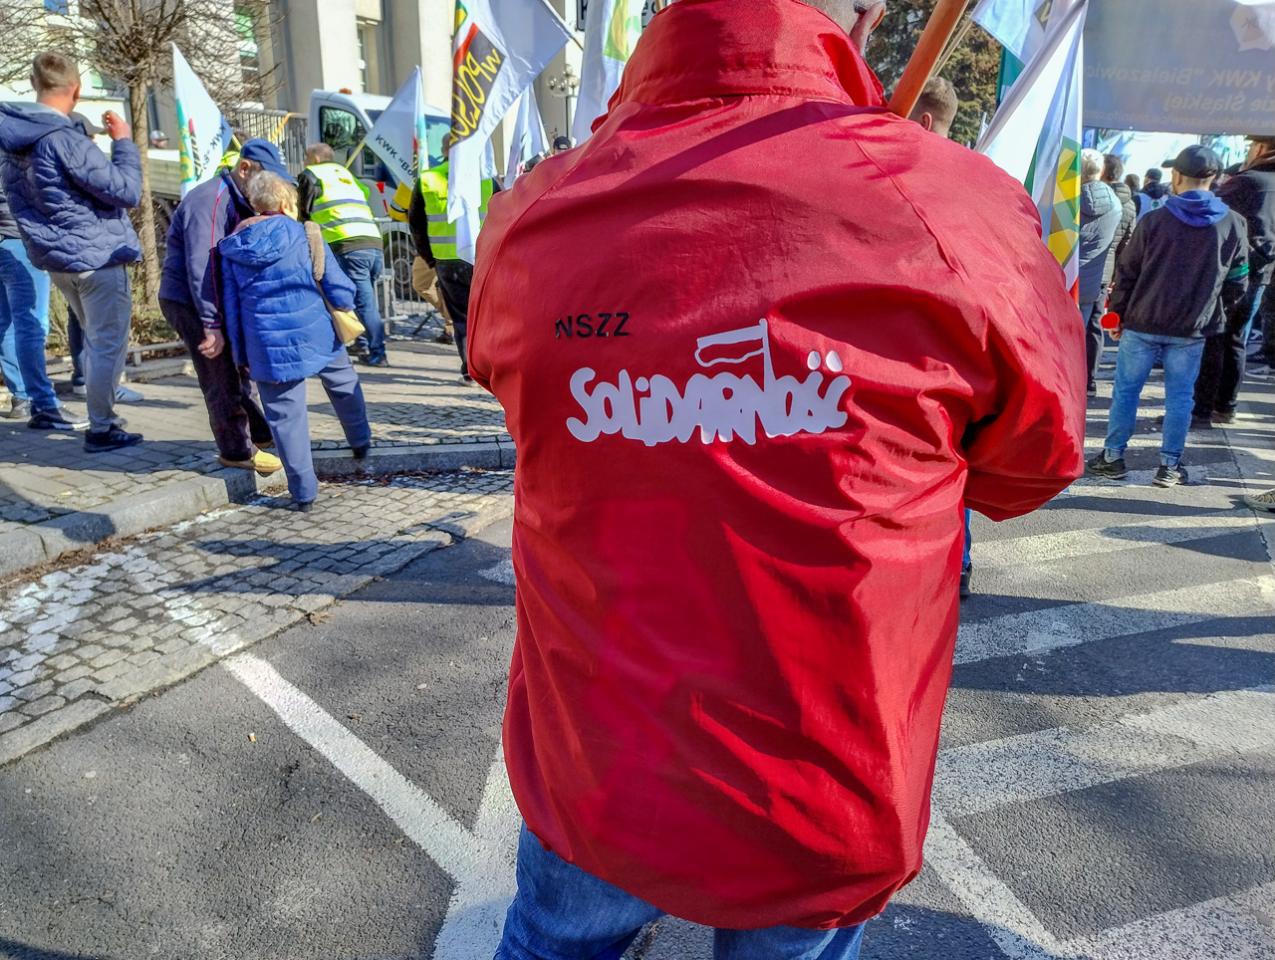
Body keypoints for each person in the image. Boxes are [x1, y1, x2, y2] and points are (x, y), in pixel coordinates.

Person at [469, 0, 1086, 954]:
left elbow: (512, 388)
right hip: (820, 775)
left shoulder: (535, 215)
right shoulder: (954, 207)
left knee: (550, 944)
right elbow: (1025, 464)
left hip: (599, 759)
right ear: (869, 13)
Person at [0, 52, 139, 449]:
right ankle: (102, 427)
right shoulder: (64, 139)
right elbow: (126, 190)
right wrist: (124, 143)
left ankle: (93, 416)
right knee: (106, 344)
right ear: (76, 90)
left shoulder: (14, 142)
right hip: (96, 257)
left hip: (58, 258)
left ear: (34, 84)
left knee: (93, 340)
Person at [1088, 145, 1248, 488]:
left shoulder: (1155, 220)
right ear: (1215, 179)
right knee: (1180, 397)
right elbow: (1239, 282)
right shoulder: (1233, 224)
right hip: (1192, 328)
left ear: (1176, 177)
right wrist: (1212, 312)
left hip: (1142, 322)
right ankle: (1170, 466)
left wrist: (1116, 316)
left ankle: (1113, 457)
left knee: (1126, 392)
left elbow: (1127, 272)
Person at [217, 173, 371, 512]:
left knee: (286, 418)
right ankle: (360, 441)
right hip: (316, 329)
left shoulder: (234, 246)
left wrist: (242, 353)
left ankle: (304, 493)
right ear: (286, 202)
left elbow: (231, 306)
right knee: (343, 382)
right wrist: (346, 305)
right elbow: (340, 288)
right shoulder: (305, 233)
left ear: (255, 205)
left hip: (267, 344)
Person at [159, 138, 288, 475]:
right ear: (244, 169)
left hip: (211, 300)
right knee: (220, 376)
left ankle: (260, 434)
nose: (270, 189)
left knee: (240, 370)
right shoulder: (211, 200)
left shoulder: (238, 198)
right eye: (266, 181)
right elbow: (204, 265)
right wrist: (211, 324)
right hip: (191, 300)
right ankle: (237, 451)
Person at [1194, 135, 1275, 425]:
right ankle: (1226, 406)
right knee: (1236, 338)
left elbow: (1212, 213)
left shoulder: (1249, 181)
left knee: (1215, 336)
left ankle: (1202, 408)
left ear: (1261, 148)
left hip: (1235, 270)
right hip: (1263, 272)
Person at [0, 170, 79, 430]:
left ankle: (22, 397)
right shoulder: (12, 146)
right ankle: (43, 403)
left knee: (9, 324)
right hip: (18, 241)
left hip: (6, 243)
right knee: (32, 324)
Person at [297, 143, 388, 366]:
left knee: (361, 302)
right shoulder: (346, 174)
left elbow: (302, 211)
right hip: (373, 242)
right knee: (362, 300)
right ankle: (362, 343)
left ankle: (378, 353)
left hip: (346, 243)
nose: (304, 161)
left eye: (307, 157)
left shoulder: (311, 175)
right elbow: (364, 193)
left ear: (316, 158)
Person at [411, 161, 497, 383]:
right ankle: (493, 368)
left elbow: (416, 224)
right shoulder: (486, 177)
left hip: (448, 260)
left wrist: (430, 258)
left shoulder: (427, 179)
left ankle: (471, 371)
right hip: (483, 259)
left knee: (462, 319)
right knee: (488, 316)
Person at [1079, 149, 1122, 396]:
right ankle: (1085, 383)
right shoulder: (1116, 204)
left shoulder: (1064, 200)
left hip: (1063, 281)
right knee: (1087, 333)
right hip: (1094, 282)